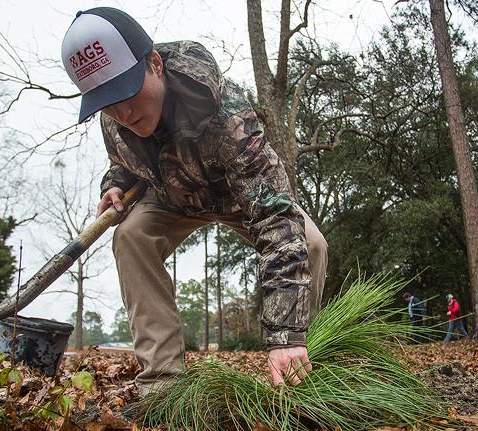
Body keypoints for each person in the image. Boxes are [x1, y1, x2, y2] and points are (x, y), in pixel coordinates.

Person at [60, 8, 328, 396]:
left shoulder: (228, 118)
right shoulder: (114, 119)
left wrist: (283, 334)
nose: (123, 112)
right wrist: (114, 183)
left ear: (154, 64)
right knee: (131, 238)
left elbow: (275, 216)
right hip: (171, 198)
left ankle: (296, 362)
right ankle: (163, 384)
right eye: (107, 101)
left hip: (239, 197)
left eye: (126, 91)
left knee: (311, 243)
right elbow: (121, 162)